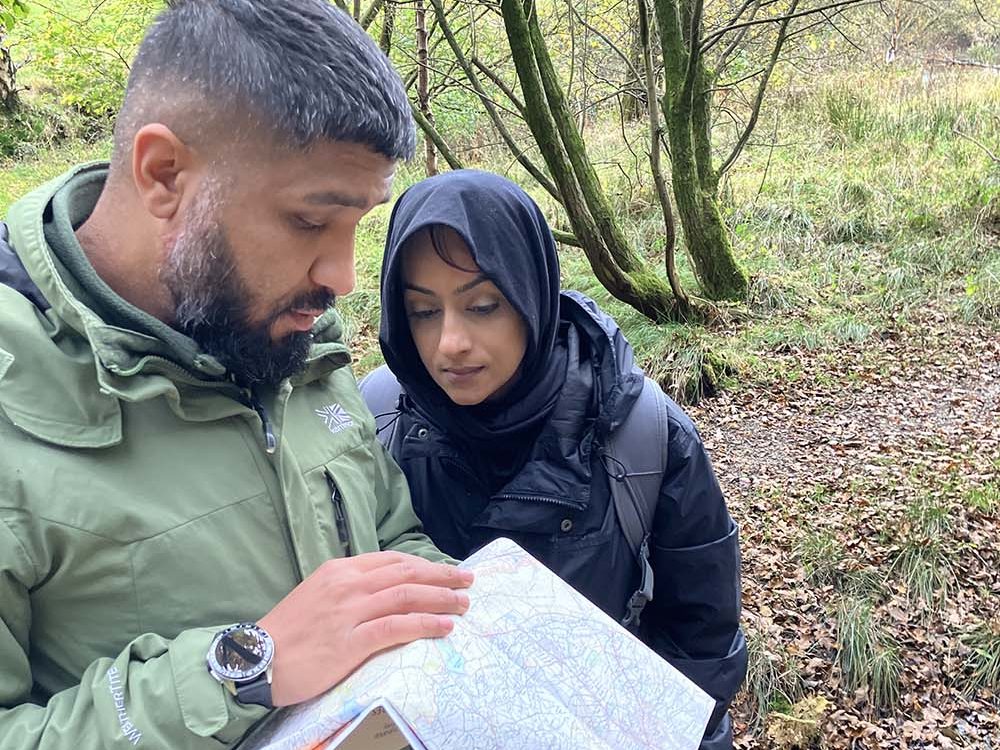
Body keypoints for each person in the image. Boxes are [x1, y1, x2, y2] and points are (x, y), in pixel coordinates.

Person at [0, 2, 475, 748]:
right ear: (164, 175)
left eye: (360, 225)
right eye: (310, 222)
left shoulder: (288, 331)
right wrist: (241, 667)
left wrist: (451, 613)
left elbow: (388, 532)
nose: (343, 277)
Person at [360, 170, 749, 749]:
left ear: (531, 294)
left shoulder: (646, 438)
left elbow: (701, 660)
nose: (450, 343)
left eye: (483, 305)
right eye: (423, 312)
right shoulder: (372, 425)